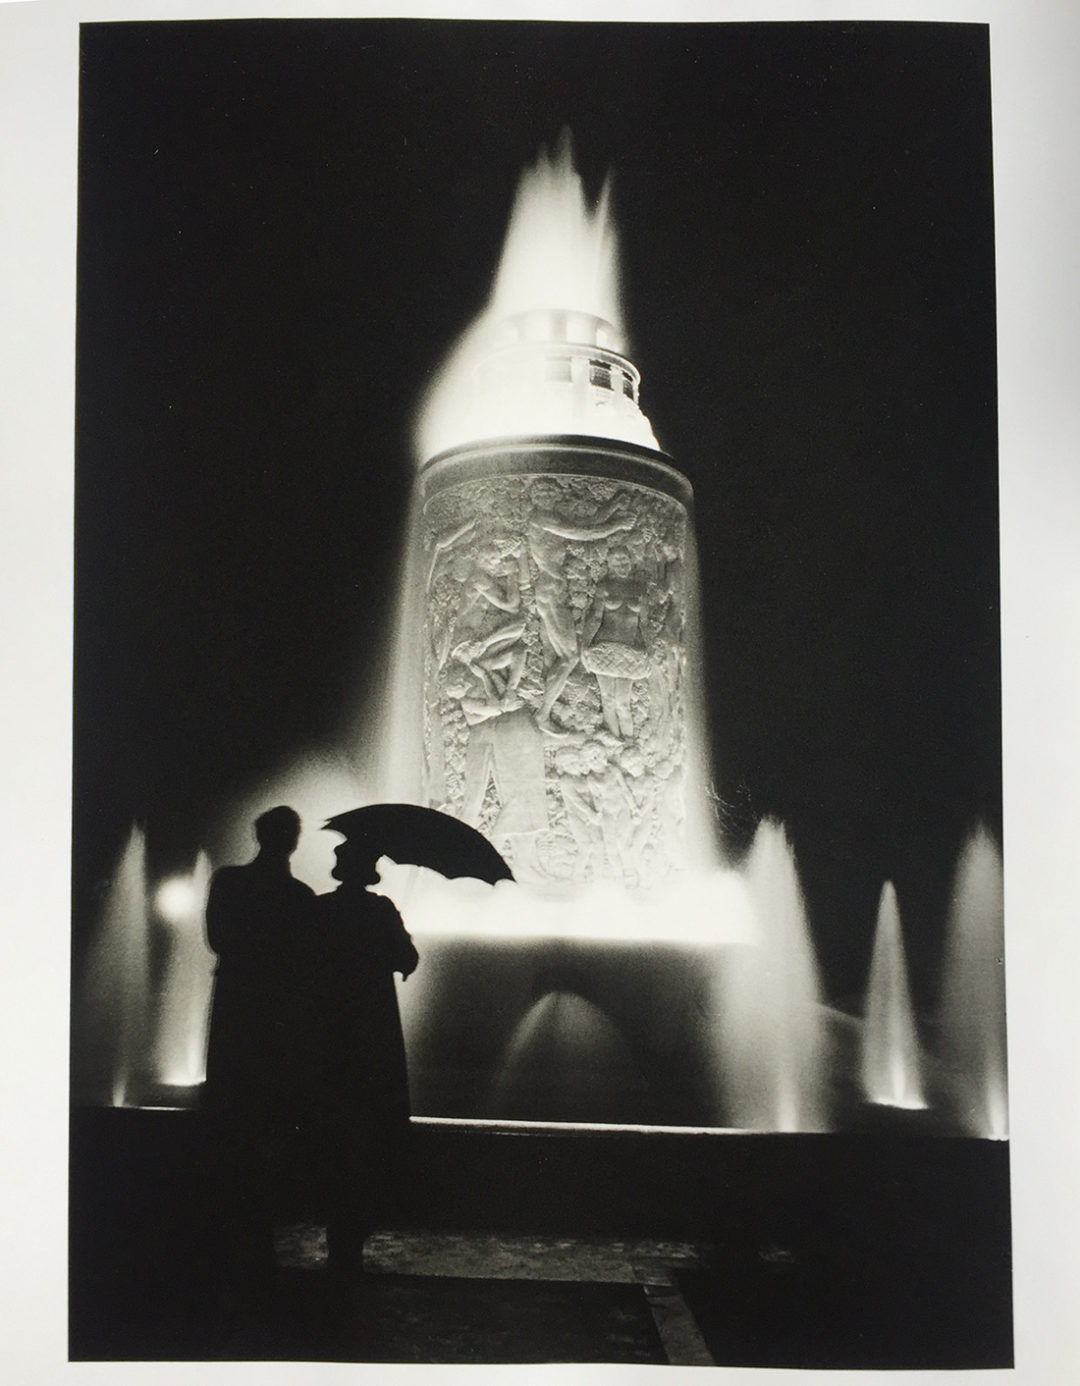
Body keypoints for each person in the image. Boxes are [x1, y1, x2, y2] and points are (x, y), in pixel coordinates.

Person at [202, 805, 315, 1293]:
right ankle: (263, 1217)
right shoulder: (299, 896)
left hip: (237, 1004)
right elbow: (309, 958)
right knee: (270, 1110)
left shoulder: (228, 882)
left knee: (232, 1104)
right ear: (292, 842)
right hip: (278, 1013)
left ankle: (226, 1217)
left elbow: (218, 940)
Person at [300, 831, 419, 1280]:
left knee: (331, 1121)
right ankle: (356, 1222)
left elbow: (301, 961)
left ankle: (335, 1222)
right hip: (372, 1025)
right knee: (369, 1123)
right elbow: (408, 959)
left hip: (328, 1027)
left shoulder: (319, 908)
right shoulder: (380, 909)